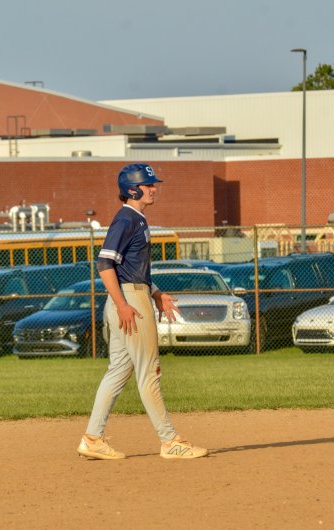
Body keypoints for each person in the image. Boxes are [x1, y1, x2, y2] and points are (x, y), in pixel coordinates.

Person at [77, 163, 208, 460]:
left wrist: (156, 293)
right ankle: (170, 441)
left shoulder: (136, 218)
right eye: (148, 184)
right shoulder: (127, 219)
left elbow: (133, 270)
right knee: (150, 373)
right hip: (129, 302)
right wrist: (124, 304)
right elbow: (104, 264)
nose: (154, 188)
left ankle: (92, 438)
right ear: (133, 189)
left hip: (132, 296)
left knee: (118, 371)